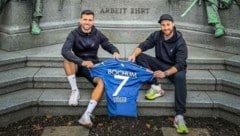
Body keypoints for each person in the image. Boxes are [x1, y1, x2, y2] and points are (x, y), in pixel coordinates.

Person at [128, 14, 189, 134]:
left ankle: (179, 116)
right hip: (160, 63)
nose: (166, 28)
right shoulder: (157, 35)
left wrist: (165, 73)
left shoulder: (180, 42)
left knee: (181, 77)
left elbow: (180, 64)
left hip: (174, 69)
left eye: (168, 24)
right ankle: (156, 86)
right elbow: (143, 45)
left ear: (173, 25)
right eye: (163, 25)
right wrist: (133, 55)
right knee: (140, 57)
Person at [61, 10, 120, 127]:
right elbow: (65, 51)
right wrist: (81, 62)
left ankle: (86, 115)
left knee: (102, 83)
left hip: (93, 67)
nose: (87, 22)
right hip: (78, 65)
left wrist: (115, 51)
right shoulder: (73, 34)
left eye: (90, 20)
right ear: (80, 20)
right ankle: (74, 91)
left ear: (93, 21)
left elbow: (107, 44)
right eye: (85, 19)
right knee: (67, 59)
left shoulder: (97, 33)